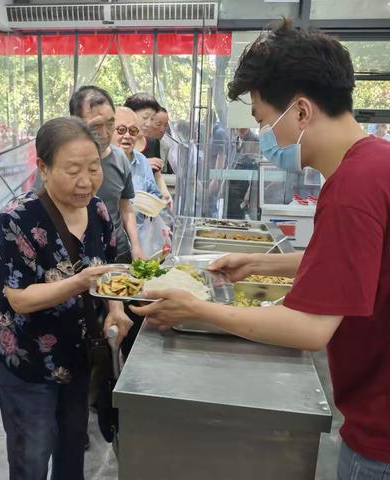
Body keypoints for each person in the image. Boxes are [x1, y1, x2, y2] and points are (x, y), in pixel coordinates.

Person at [132, 20, 390, 480]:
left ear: (302, 112)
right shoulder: (375, 164)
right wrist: (262, 263)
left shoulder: (352, 186)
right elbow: (362, 263)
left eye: (262, 119)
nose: (262, 134)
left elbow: (309, 329)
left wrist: (197, 311)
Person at [0, 117, 133, 480]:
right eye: (72, 170)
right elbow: (18, 298)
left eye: (93, 167)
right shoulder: (16, 218)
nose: (86, 181)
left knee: (72, 449)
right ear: (44, 168)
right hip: (28, 357)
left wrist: (115, 308)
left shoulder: (98, 209)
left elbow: (110, 270)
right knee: (32, 452)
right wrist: (79, 281)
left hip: (79, 352)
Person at [69, 86, 144, 263]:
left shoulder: (120, 159)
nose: (104, 134)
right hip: (78, 260)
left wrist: (136, 246)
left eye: (111, 123)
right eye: (95, 126)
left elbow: (125, 207)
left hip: (119, 254)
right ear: (74, 123)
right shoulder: (59, 164)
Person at [111, 107, 163, 232]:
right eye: (121, 130)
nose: (127, 136)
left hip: (138, 235)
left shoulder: (142, 162)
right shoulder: (100, 161)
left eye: (133, 131)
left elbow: (154, 195)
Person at [124, 93, 173, 209]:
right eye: (145, 118)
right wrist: (144, 164)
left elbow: (157, 176)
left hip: (145, 207)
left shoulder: (153, 143)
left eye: (151, 119)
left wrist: (165, 195)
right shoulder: (121, 142)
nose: (148, 124)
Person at [149, 107, 173, 173]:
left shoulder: (165, 147)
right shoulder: (132, 143)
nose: (162, 130)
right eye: (158, 124)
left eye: (165, 125)